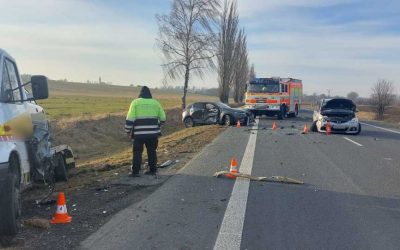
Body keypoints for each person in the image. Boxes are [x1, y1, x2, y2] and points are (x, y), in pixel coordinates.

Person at [125, 86, 166, 177]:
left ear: (140, 94)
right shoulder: (156, 103)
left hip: (139, 134)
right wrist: (157, 125)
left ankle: (135, 172)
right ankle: (152, 170)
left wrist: (128, 130)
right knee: (152, 151)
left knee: (137, 152)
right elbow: (163, 118)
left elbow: (130, 119)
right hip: (153, 134)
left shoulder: (135, 102)